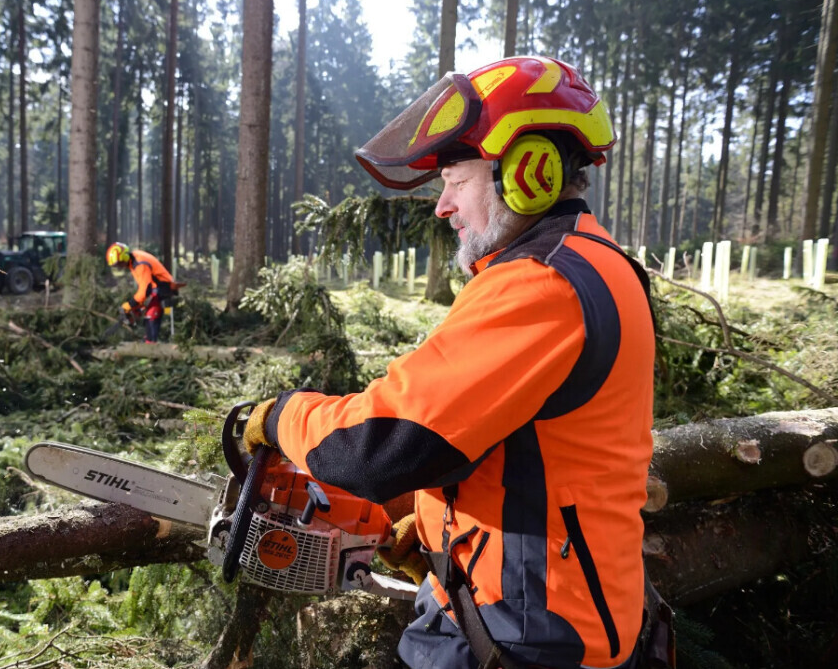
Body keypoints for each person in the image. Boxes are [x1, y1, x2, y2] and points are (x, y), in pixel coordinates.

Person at [242, 56, 661, 669]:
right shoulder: (596, 261)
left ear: (530, 172)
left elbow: (378, 446)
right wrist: (435, 522)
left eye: (456, 181)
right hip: (547, 612)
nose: (442, 206)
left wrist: (284, 415)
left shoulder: (540, 285)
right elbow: (530, 443)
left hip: (527, 635)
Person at [105, 242, 179, 344]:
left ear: (124, 257)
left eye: (119, 263)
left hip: (164, 287)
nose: (119, 266)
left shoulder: (140, 264)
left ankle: (151, 344)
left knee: (151, 315)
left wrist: (129, 305)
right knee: (145, 311)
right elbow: (144, 286)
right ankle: (149, 340)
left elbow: (145, 290)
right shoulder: (134, 260)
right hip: (155, 288)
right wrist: (138, 306)